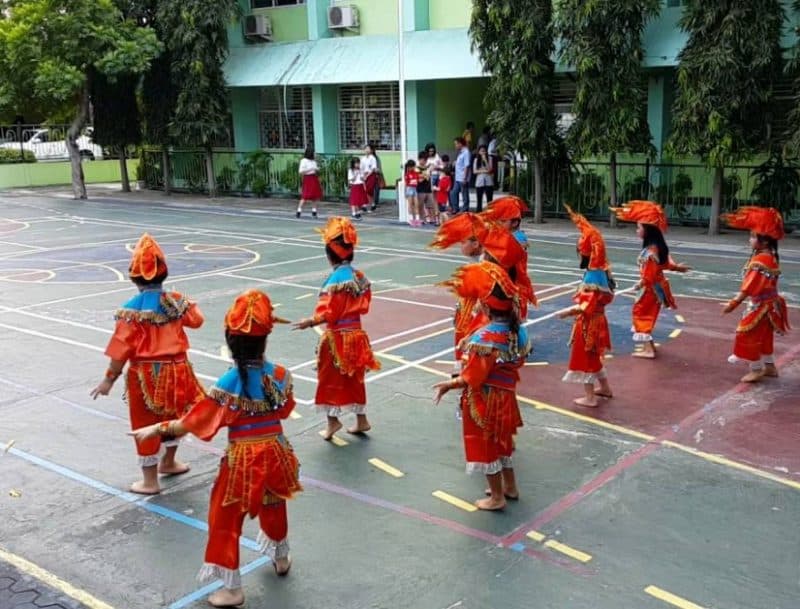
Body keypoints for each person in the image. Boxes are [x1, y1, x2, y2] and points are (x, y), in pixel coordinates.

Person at [129, 290, 302, 608]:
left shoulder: (231, 381)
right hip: (278, 452)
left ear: (231, 340)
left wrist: (156, 428)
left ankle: (233, 589)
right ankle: (281, 557)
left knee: (224, 518)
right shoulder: (281, 375)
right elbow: (285, 408)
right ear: (265, 339)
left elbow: (196, 421)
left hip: (244, 461)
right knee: (274, 504)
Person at [91, 233, 205, 495]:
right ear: (164, 274)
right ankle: (169, 461)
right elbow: (197, 321)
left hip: (145, 375)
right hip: (177, 370)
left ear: (133, 278)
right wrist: (182, 300)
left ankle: (150, 480)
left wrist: (109, 378)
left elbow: (121, 348)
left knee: (145, 422)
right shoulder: (175, 302)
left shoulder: (130, 311)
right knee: (175, 416)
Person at [433, 260, 529, 511]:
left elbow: (474, 376)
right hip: (506, 396)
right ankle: (510, 486)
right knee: (503, 443)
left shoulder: (485, 338)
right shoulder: (516, 330)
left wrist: (450, 383)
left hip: (485, 399)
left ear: (485, 305)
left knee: (486, 446)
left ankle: (496, 497)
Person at [293, 217, 380, 440]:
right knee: (355, 379)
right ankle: (362, 419)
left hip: (337, 339)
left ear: (329, 254)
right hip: (357, 336)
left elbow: (329, 312)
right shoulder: (359, 276)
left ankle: (332, 422)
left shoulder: (335, 280)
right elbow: (365, 304)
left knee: (328, 380)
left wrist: (310, 322)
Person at [611, 200, 690, 359]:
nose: (636, 230)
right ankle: (650, 346)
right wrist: (677, 268)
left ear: (647, 230)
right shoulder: (655, 247)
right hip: (653, 288)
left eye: (638, 227)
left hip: (649, 289)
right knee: (644, 315)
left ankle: (649, 350)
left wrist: (640, 283)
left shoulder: (651, 252)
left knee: (642, 315)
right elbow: (665, 264)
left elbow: (649, 275)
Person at [721, 206, 790, 382]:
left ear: (764, 241)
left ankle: (757, 368)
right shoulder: (768, 255)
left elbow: (749, 287)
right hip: (769, 304)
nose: (749, 239)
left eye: (752, 236)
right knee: (765, 337)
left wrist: (733, 304)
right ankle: (770, 367)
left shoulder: (761, 259)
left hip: (761, 306)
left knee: (745, 334)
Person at [559, 206, 615, 407]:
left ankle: (590, 397)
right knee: (595, 356)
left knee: (585, 358)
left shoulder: (593, 275)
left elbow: (585, 306)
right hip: (599, 320)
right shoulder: (602, 270)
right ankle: (605, 388)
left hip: (589, 323)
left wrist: (567, 312)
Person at [297, 147, 322, 219]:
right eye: (314, 152)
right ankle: (299, 210)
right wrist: (311, 169)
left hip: (313, 177)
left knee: (314, 196)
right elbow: (301, 171)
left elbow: (315, 169)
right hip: (307, 178)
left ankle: (314, 211)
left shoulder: (313, 161)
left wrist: (317, 169)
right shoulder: (304, 161)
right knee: (305, 196)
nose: (315, 154)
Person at [450, 137, 471, 214]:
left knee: (464, 194)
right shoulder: (461, 152)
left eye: (456, 144)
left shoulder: (466, 152)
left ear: (460, 144)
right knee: (453, 193)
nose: (455, 146)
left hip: (463, 177)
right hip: (457, 177)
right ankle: (456, 208)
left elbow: (466, 166)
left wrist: (465, 178)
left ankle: (465, 209)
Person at [416, 150, 437, 225]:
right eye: (423, 159)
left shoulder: (428, 167)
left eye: (426, 160)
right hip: (420, 190)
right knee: (421, 206)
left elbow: (434, 165)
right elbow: (420, 180)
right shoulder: (416, 168)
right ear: (419, 159)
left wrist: (427, 171)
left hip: (428, 189)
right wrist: (426, 174)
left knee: (431, 205)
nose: (425, 161)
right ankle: (423, 219)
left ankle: (433, 219)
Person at [473, 144, 494, 212]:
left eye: (484, 151)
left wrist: (485, 160)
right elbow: (475, 171)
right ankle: (479, 212)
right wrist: (485, 171)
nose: (483, 153)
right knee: (479, 199)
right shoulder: (476, 160)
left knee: (489, 199)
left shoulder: (490, 158)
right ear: (478, 152)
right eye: (481, 151)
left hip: (488, 181)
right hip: (479, 182)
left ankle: (490, 212)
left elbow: (490, 169)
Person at [347, 157, 367, 221]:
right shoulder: (350, 170)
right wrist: (355, 175)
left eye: (358, 163)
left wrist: (363, 179)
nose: (357, 165)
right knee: (354, 200)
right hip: (355, 186)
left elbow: (363, 178)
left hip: (360, 185)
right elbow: (351, 180)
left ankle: (358, 212)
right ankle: (353, 213)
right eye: (356, 163)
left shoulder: (360, 170)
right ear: (353, 164)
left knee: (360, 200)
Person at [360, 144, 379, 209]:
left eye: (368, 149)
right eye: (365, 148)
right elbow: (361, 168)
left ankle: (368, 203)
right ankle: (370, 204)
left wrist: (367, 175)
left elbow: (373, 168)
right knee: (365, 190)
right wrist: (362, 175)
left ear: (371, 150)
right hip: (364, 175)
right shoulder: (363, 159)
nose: (366, 150)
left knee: (369, 190)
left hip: (371, 176)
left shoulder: (373, 158)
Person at [404, 159, 421, 227]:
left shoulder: (416, 173)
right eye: (412, 167)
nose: (413, 168)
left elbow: (418, 181)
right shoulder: (407, 174)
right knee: (410, 205)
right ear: (409, 167)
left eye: (414, 166)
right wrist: (405, 192)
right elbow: (406, 184)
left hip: (415, 189)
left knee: (416, 204)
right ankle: (411, 219)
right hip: (409, 189)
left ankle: (417, 220)